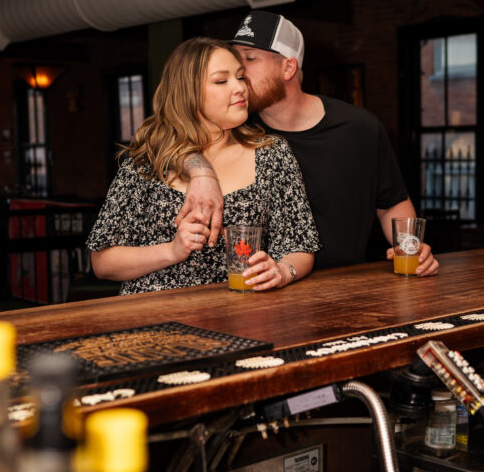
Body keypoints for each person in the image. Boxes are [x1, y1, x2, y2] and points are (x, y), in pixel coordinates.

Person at [175, 11, 438, 275]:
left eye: (250, 58)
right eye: (234, 60)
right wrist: (202, 172)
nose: (239, 70)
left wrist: (411, 248)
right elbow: (172, 139)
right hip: (265, 288)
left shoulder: (359, 127)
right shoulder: (237, 127)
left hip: (346, 286)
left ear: (288, 67)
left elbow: (391, 203)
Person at [87, 37, 320, 294]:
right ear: (188, 92)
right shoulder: (146, 161)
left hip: (242, 316)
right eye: (221, 81)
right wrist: (172, 250)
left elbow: (300, 245)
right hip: (155, 319)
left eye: (240, 77)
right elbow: (102, 262)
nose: (240, 88)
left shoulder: (272, 154)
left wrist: (282, 270)